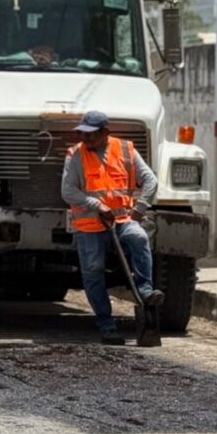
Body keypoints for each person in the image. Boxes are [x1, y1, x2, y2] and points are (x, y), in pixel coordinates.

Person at [61, 110, 164, 345]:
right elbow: (68, 191)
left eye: (91, 135)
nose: (85, 139)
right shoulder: (75, 155)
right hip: (89, 224)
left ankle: (146, 291)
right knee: (94, 271)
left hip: (121, 220)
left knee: (139, 238)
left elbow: (150, 180)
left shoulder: (125, 149)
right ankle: (106, 324)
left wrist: (139, 209)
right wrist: (96, 205)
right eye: (83, 134)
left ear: (105, 133)